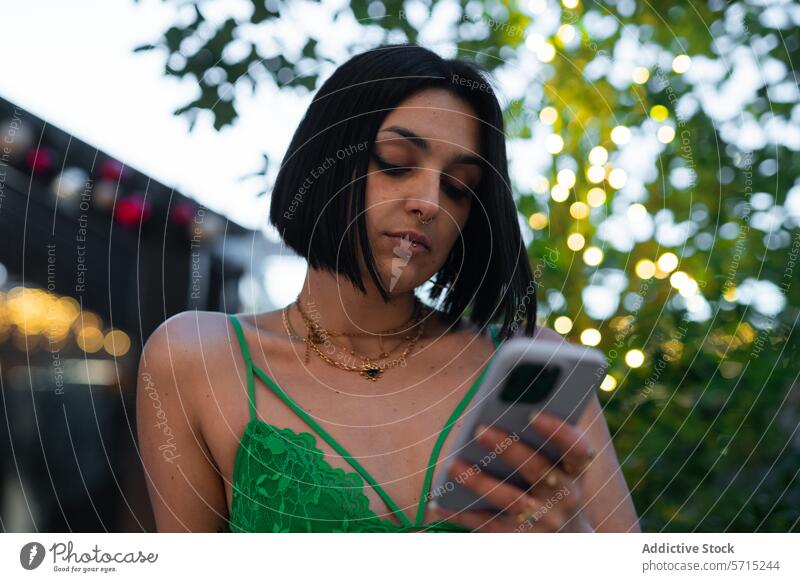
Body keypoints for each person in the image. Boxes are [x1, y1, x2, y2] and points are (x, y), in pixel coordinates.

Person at [137, 43, 640, 533]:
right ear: (327, 161)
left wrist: (571, 537)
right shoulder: (197, 358)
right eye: (397, 162)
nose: (429, 201)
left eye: (458, 188)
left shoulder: (533, 367)